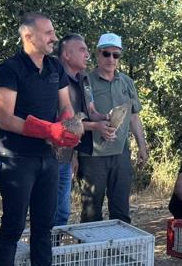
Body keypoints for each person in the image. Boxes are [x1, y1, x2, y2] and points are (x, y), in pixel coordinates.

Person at [0, 12, 81, 266]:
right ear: (29, 36)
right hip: (16, 158)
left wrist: (70, 127)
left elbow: (65, 105)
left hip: (48, 157)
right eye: (48, 33)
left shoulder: (54, 67)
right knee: (13, 226)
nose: (54, 37)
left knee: (44, 226)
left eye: (53, 32)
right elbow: (6, 119)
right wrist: (49, 131)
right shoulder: (9, 69)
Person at [77, 33, 149, 223]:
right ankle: (90, 252)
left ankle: (120, 252)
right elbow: (76, 119)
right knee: (91, 211)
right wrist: (73, 156)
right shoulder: (86, 81)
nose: (110, 59)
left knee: (121, 210)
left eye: (115, 55)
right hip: (93, 155)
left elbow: (134, 116)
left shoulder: (126, 82)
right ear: (97, 54)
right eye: (106, 54)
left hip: (120, 152)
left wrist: (142, 145)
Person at [55, 34, 115, 227]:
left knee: (62, 212)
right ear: (66, 54)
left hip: (67, 154)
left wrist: (107, 117)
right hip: (49, 154)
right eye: (82, 50)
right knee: (50, 210)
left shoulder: (84, 79)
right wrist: (96, 127)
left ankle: (54, 254)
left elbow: (90, 112)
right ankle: (45, 254)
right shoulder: (54, 78)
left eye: (87, 50)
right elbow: (61, 123)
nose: (87, 54)